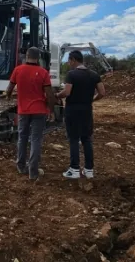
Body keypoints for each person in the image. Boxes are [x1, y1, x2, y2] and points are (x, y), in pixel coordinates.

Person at [5, 47, 56, 180]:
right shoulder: (43, 72)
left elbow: (9, 89)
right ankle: (33, 172)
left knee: (22, 138)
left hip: (23, 111)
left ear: (26, 56)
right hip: (39, 110)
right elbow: (50, 94)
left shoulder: (17, 70)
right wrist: (50, 110)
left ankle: (21, 166)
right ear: (38, 57)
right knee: (36, 139)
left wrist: (8, 96)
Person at [56, 50, 106, 179]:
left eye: (69, 60)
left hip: (72, 110)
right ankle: (89, 170)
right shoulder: (94, 75)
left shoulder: (71, 74)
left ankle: (74, 169)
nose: (68, 63)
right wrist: (92, 100)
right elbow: (102, 92)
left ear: (73, 60)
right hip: (87, 110)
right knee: (86, 139)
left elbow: (67, 92)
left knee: (73, 139)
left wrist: (56, 95)